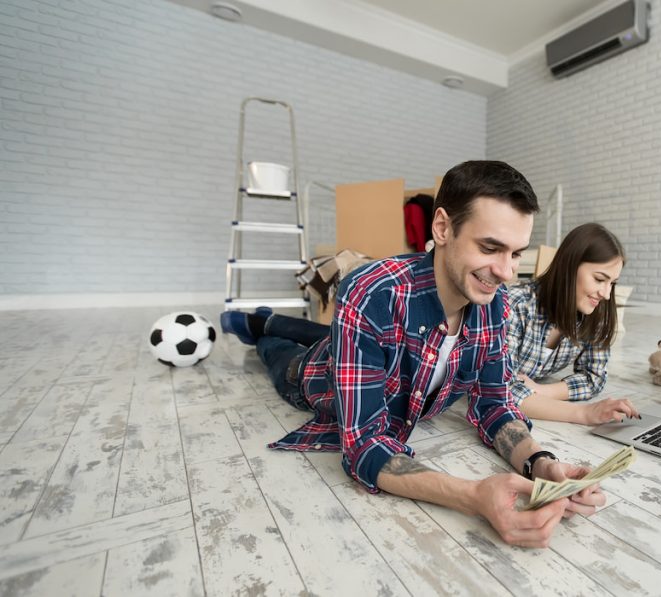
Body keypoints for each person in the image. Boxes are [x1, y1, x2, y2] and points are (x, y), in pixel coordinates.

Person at [220, 161, 604, 548]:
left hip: (358, 344)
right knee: (280, 354)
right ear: (442, 228)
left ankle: (268, 320)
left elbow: (495, 405)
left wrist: (541, 463)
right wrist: (473, 496)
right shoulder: (371, 292)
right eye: (490, 248)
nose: (505, 271)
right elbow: (365, 446)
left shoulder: (494, 302)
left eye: (517, 254)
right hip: (315, 375)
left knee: (326, 333)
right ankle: (260, 330)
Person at [507, 223, 639, 425]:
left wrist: (543, 391)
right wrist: (584, 413)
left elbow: (594, 377)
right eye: (599, 279)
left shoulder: (596, 311)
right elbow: (501, 389)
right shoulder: (516, 305)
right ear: (569, 267)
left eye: (612, 283)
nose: (605, 294)